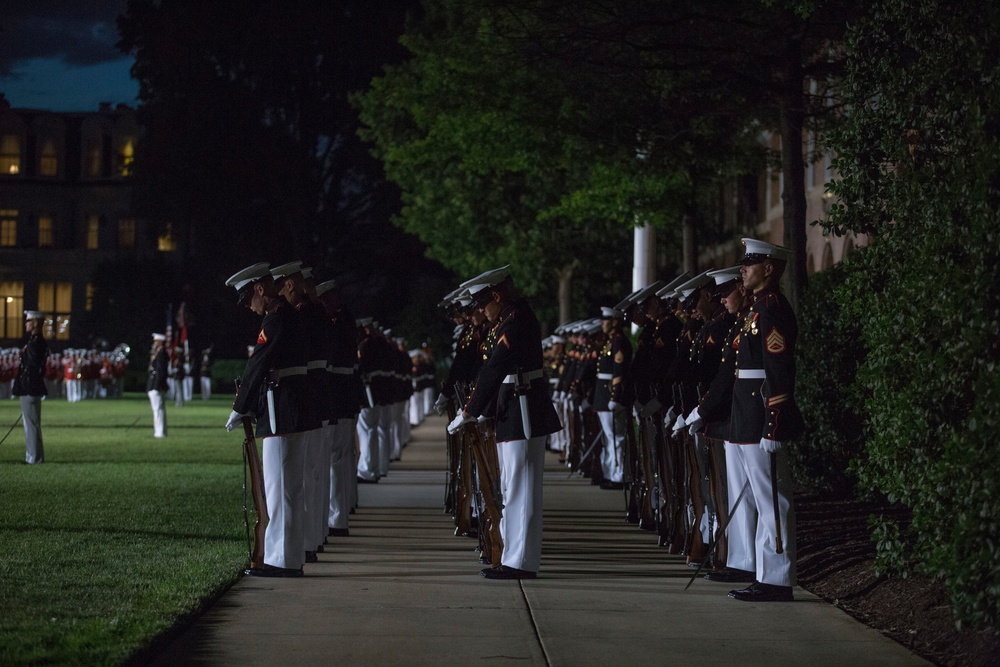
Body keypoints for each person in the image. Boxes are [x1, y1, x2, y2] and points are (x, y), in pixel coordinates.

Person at [448, 266, 562, 580]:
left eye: (483, 304)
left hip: (523, 410)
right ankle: (512, 556)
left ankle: (520, 561)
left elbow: (495, 369)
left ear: (497, 296)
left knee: (520, 490)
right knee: (513, 488)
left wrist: (469, 411)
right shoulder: (507, 320)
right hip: (512, 408)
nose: (482, 312)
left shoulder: (516, 320)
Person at [225, 262, 320, 577]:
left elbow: (259, 362)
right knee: (289, 488)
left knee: (281, 490)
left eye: (247, 299)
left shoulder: (277, 317)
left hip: (283, 409)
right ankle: (287, 557)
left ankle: (281, 560)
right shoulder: (288, 314)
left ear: (260, 289)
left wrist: (240, 407)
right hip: (293, 407)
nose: (248, 307)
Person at [726, 238, 804, 602]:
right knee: (762, 497)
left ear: (769, 269)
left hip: (762, 415)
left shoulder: (772, 309)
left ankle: (777, 578)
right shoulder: (757, 309)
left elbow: (779, 369)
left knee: (772, 498)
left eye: (750, 263)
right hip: (748, 415)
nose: (743, 269)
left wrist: (775, 421)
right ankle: (765, 574)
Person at [13, 310, 48, 464]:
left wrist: (25, 387)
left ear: (35, 323)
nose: (25, 324)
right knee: (33, 424)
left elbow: (31, 368)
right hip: (32, 388)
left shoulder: (35, 343)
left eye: (28, 321)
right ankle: (35, 456)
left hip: (30, 388)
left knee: (31, 425)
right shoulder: (36, 342)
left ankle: (33, 458)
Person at [147, 333, 169, 438]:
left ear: (160, 342)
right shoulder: (158, 352)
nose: (154, 343)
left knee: (157, 410)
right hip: (155, 384)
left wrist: (156, 386)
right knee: (158, 409)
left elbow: (160, 371)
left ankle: (159, 433)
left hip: (156, 385)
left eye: (156, 341)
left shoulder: (161, 353)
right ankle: (161, 432)